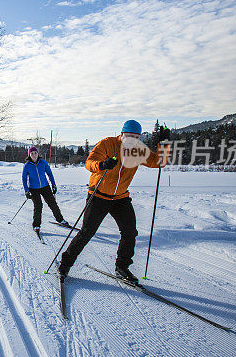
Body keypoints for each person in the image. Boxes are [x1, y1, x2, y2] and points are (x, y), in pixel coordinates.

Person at [58, 120, 169, 285]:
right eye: (129, 135)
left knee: (130, 232)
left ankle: (122, 267)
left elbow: (159, 162)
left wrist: (164, 144)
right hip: (98, 195)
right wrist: (102, 165)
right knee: (87, 232)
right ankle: (65, 264)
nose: (132, 139)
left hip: (120, 198)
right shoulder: (107, 144)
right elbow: (89, 162)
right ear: (122, 133)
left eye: (136, 137)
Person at [22, 146, 69, 235]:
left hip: (45, 187)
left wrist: (53, 184)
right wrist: (26, 191)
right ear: (29, 155)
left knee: (52, 203)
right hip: (33, 188)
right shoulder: (27, 165)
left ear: (38, 154)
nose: (34, 155)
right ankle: (36, 225)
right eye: (32, 153)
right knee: (38, 205)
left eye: (35, 153)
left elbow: (49, 174)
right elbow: (24, 179)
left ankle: (60, 219)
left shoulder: (43, 163)